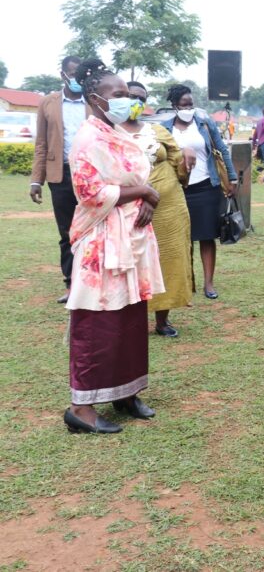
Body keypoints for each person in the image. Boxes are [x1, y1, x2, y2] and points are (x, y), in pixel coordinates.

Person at [63, 59, 164, 434]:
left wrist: (149, 199)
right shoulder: (89, 139)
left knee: (131, 318)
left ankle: (126, 391)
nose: (127, 101)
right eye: (118, 95)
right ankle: (82, 408)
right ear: (95, 99)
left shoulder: (118, 132)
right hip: (101, 244)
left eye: (127, 93)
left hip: (130, 238)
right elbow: (89, 193)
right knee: (98, 321)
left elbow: (142, 177)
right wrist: (143, 192)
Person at [124, 82, 192, 338]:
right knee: (132, 261)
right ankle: (130, 320)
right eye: (130, 97)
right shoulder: (108, 133)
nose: (135, 102)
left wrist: (188, 155)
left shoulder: (156, 130)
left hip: (169, 208)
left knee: (168, 259)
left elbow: (179, 164)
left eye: (141, 98)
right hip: (129, 208)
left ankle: (162, 320)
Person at [162, 85, 237, 300]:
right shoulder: (165, 128)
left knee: (206, 236)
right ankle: (188, 280)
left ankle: (209, 283)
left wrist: (231, 177)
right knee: (182, 238)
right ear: (175, 105)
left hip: (206, 186)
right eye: (185, 105)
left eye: (191, 104)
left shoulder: (204, 123)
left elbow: (221, 149)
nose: (189, 108)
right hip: (178, 189)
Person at [29, 56, 89, 303]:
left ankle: (92, 282)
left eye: (81, 74)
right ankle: (71, 284)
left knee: (91, 230)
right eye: (73, 73)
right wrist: (36, 180)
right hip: (61, 175)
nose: (77, 79)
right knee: (67, 232)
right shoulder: (48, 103)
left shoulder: (94, 102)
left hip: (91, 174)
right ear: (63, 74)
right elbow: (41, 143)